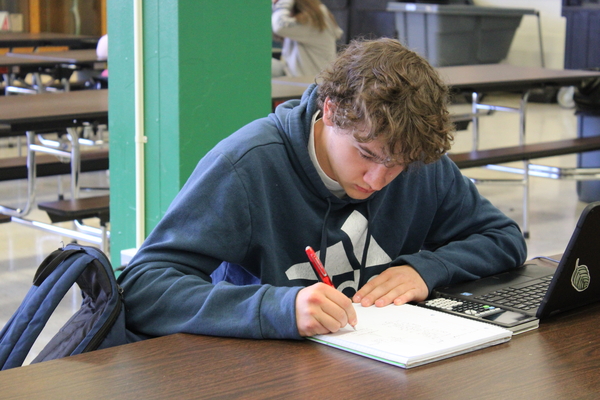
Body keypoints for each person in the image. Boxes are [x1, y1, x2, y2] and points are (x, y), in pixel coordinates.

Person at [118, 38, 527, 341]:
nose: (377, 179)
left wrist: (426, 269)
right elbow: (142, 288)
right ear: (330, 111)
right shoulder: (245, 167)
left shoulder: (417, 158)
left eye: (397, 165)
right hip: (260, 370)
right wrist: (278, 308)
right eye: (365, 154)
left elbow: (504, 238)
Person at [271, 0, 343, 77]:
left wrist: (283, 3)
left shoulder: (316, 17)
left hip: (312, 82)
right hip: (295, 76)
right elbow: (271, 30)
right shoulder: (300, 21)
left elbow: (279, 26)